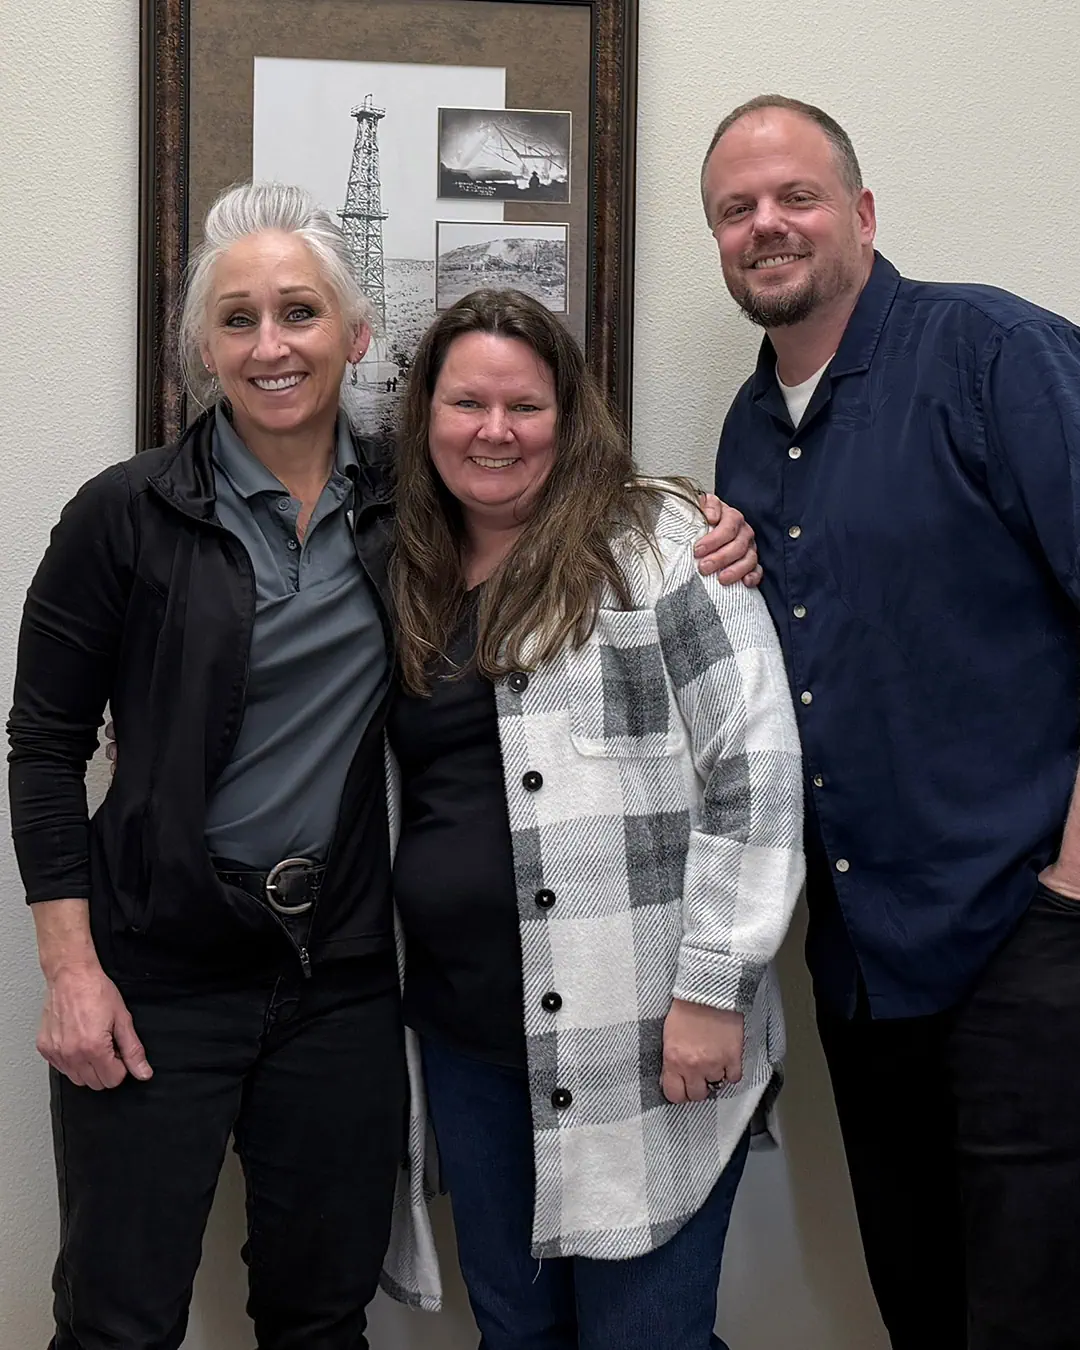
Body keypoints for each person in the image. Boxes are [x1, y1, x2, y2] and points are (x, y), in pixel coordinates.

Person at [7, 182, 759, 1350]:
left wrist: (702, 523)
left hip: (342, 986)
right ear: (204, 348)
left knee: (322, 1312)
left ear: (356, 339)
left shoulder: (412, 512)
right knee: (116, 1317)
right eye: (238, 319)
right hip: (161, 974)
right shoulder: (125, 516)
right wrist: (70, 971)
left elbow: (560, 511)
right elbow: (43, 746)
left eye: (299, 313)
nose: (271, 346)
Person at [701, 94, 1080, 1350]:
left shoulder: (993, 353)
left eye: (796, 196)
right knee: (920, 1302)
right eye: (737, 209)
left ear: (860, 213)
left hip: (1028, 939)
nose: (768, 225)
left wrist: (1073, 883)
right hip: (866, 964)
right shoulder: (750, 433)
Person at [380, 288, 805, 1349]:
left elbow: (757, 767)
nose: (493, 430)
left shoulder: (661, 541)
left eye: (523, 405)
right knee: (516, 1334)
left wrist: (715, 988)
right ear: (424, 416)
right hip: (467, 1039)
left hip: (642, 1032)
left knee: (642, 1338)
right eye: (466, 402)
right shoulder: (405, 566)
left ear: (569, 417)